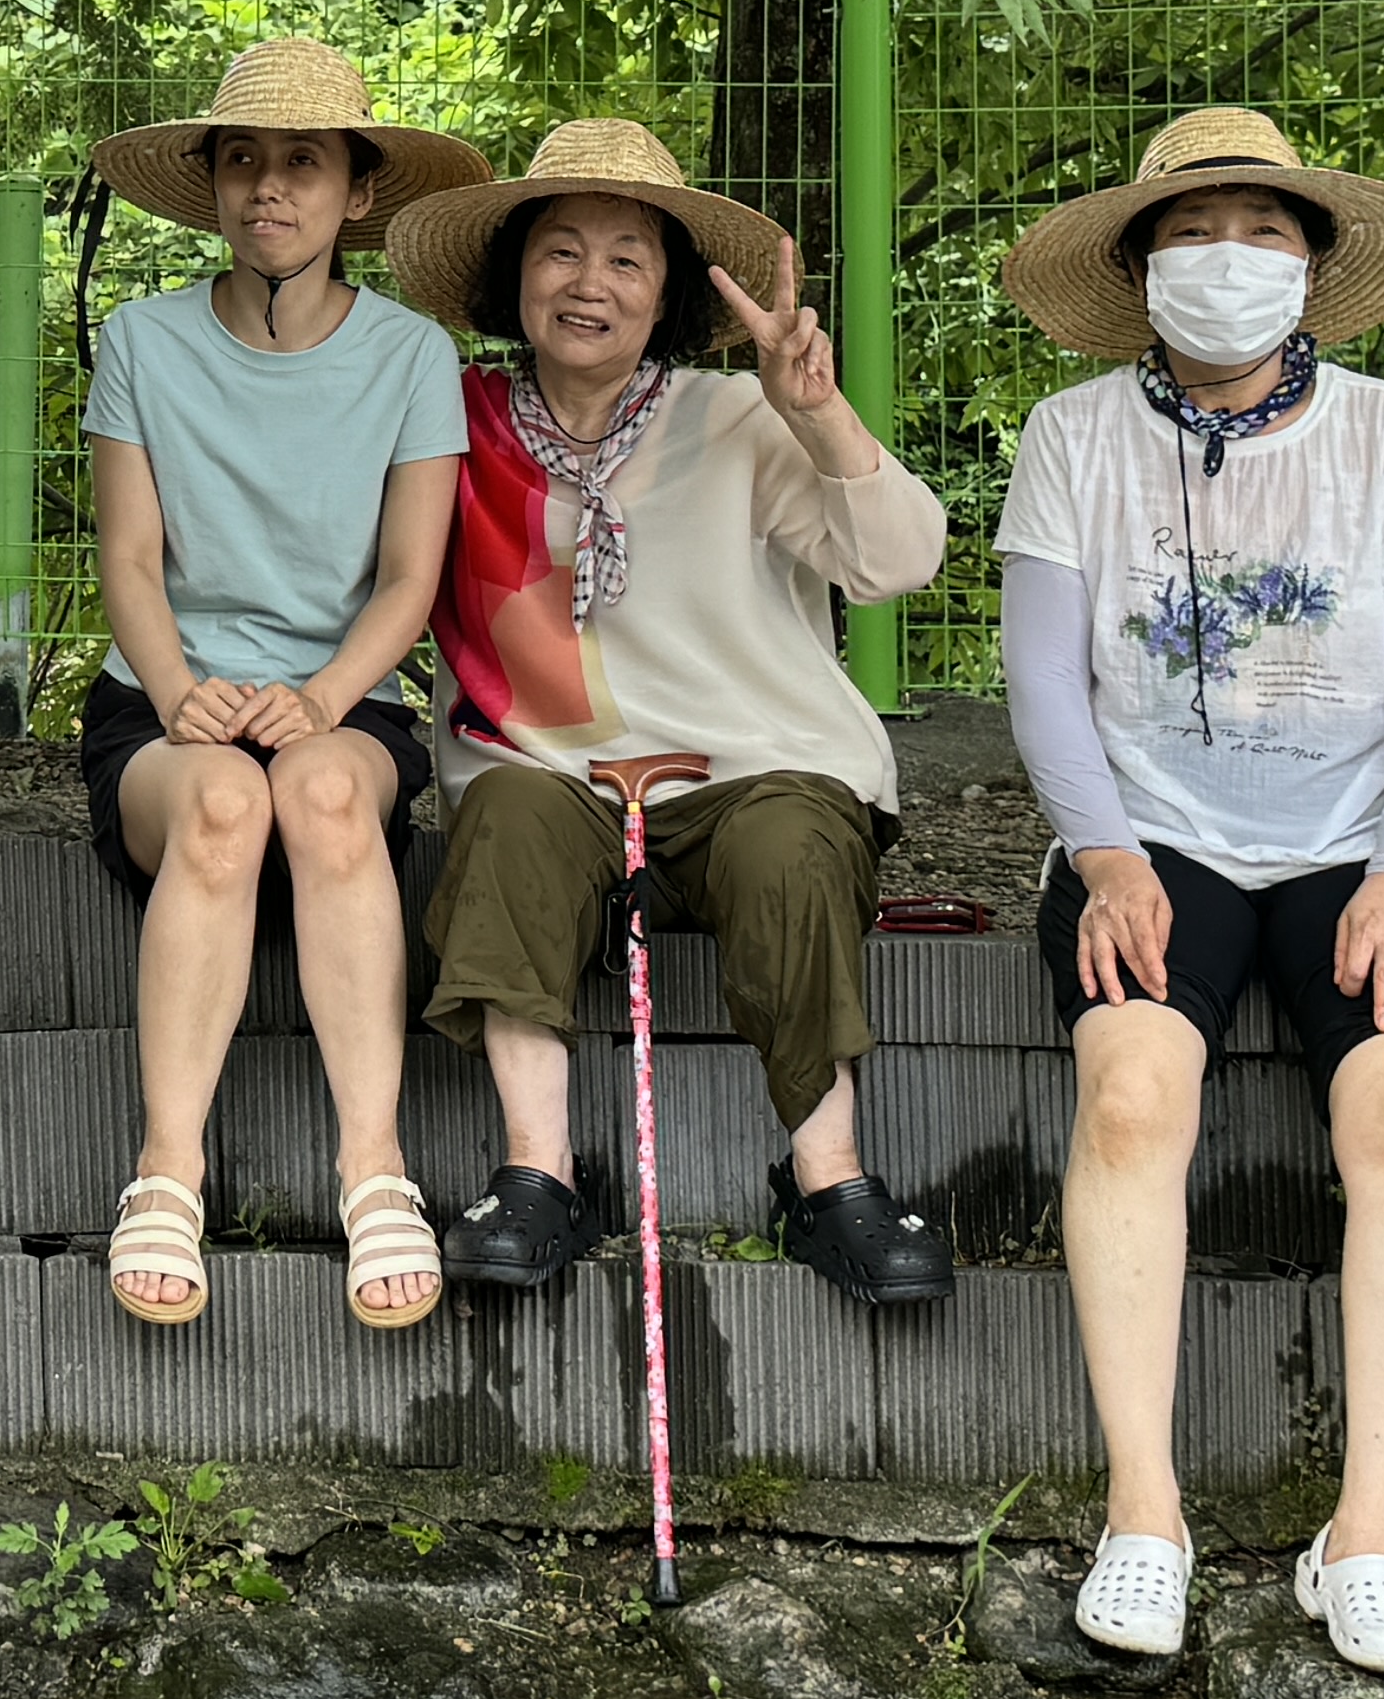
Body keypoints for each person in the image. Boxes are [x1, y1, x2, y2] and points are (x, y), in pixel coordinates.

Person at [990, 105, 1384, 1678]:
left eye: (1267, 231)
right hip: (1150, 839)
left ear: (1313, 263)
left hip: (1357, 842)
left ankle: (1368, 1537)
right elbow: (1041, 675)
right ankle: (1148, 1514)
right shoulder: (1072, 438)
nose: (1232, 259)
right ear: (1142, 266)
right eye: (1196, 231)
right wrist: (1102, 851)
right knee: (1133, 1091)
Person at [381, 119, 957, 1309]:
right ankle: (535, 1173)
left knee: (791, 847)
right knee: (504, 819)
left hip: (760, 771)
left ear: (669, 296)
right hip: (556, 776)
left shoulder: (738, 417)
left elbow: (899, 561)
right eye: (560, 252)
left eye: (628, 259)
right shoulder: (449, 422)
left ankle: (828, 1180)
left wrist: (820, 412)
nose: (589, 283)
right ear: (513, 277)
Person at [72, 39, 489, 1332]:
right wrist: (181, 684)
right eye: (242, 161)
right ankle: (168, 1170)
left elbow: (409, 578)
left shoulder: (414, 359)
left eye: (303, 164)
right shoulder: (140, 342)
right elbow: (130, 561)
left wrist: (318, 698)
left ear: (357, 194)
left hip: (342, 700)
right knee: (220, 809)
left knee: (315, 797)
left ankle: (375, 1169)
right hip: (165, 704)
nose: (269, 190)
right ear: (210, 185)